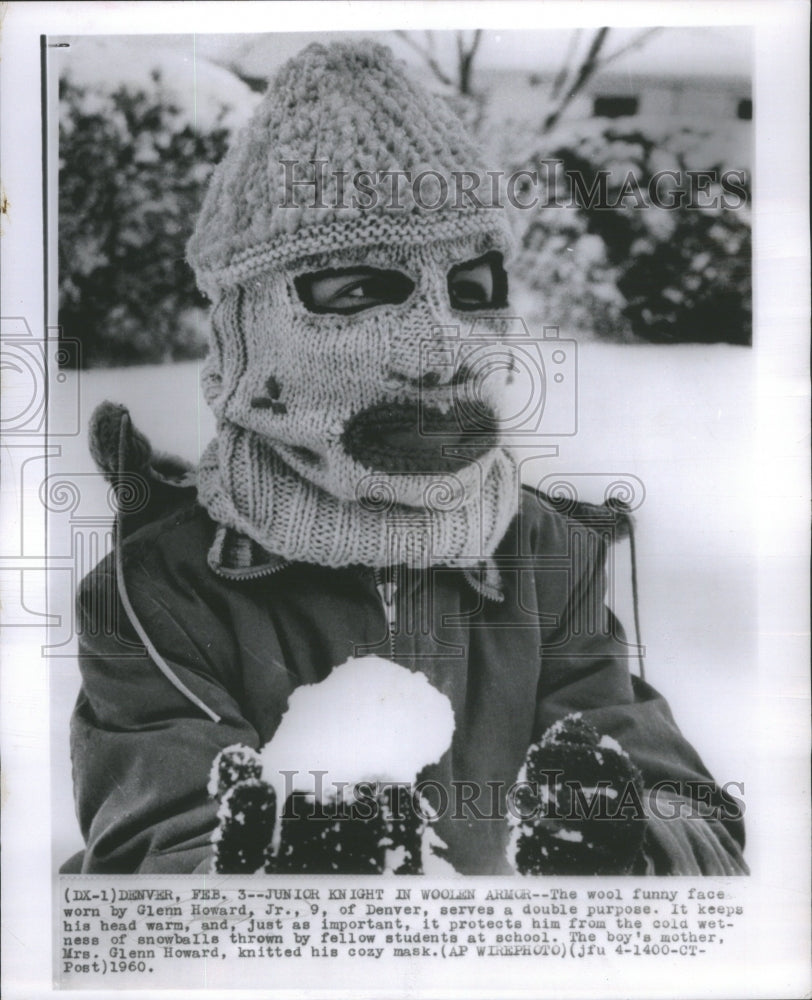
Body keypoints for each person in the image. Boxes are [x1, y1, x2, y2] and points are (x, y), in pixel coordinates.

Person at [67, 40, 747, 876]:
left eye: (471, 290)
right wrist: (278, 888)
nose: (441, 350)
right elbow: (151, 859)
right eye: (360, 289)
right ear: (249, 334)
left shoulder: (546, 558)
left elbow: (691, 819)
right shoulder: (159, 593)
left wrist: (638, 854)